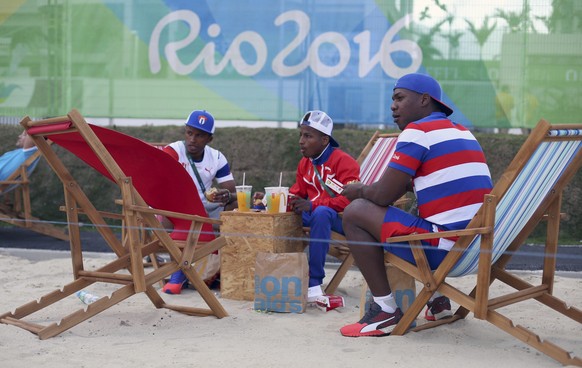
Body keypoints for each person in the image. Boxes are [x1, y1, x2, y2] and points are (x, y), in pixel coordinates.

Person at [339, 73, 493, 337]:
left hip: (444, 250)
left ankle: (384, 311)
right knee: (418, 208)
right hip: (479, 248)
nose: (393, 106)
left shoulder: (418, 131)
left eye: (400, 98)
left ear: (424, 100)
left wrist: (357, 190)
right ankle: (438, 301)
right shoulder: (462, 132)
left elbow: (382, 195)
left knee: (355, 212)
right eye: (393, 100)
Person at [161, 109, 237, 294]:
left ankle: (222, 269)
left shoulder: (216, 157)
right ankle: (180, 272)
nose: (192, 139)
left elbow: (232, 191)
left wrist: (225, 195)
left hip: (205, 208)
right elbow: (159, 176)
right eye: (189, 133)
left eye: (199, 135)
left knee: (235, 207)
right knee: (177, 213)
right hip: (177, 207)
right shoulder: (174, 151)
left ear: (209, 139)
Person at [288, 110, 360, 303]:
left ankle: (314, 283)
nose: (301, 141)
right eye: (301, 135)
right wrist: (275, 199)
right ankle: (281, 274)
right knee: (282, 211)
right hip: (316, 215)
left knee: (320, 212)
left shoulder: (344, 162)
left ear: (324, 140)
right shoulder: (305, 163)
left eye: (308, 136)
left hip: (343, 220)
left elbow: (348, 200)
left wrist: (312, 205)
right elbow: (298, 193)